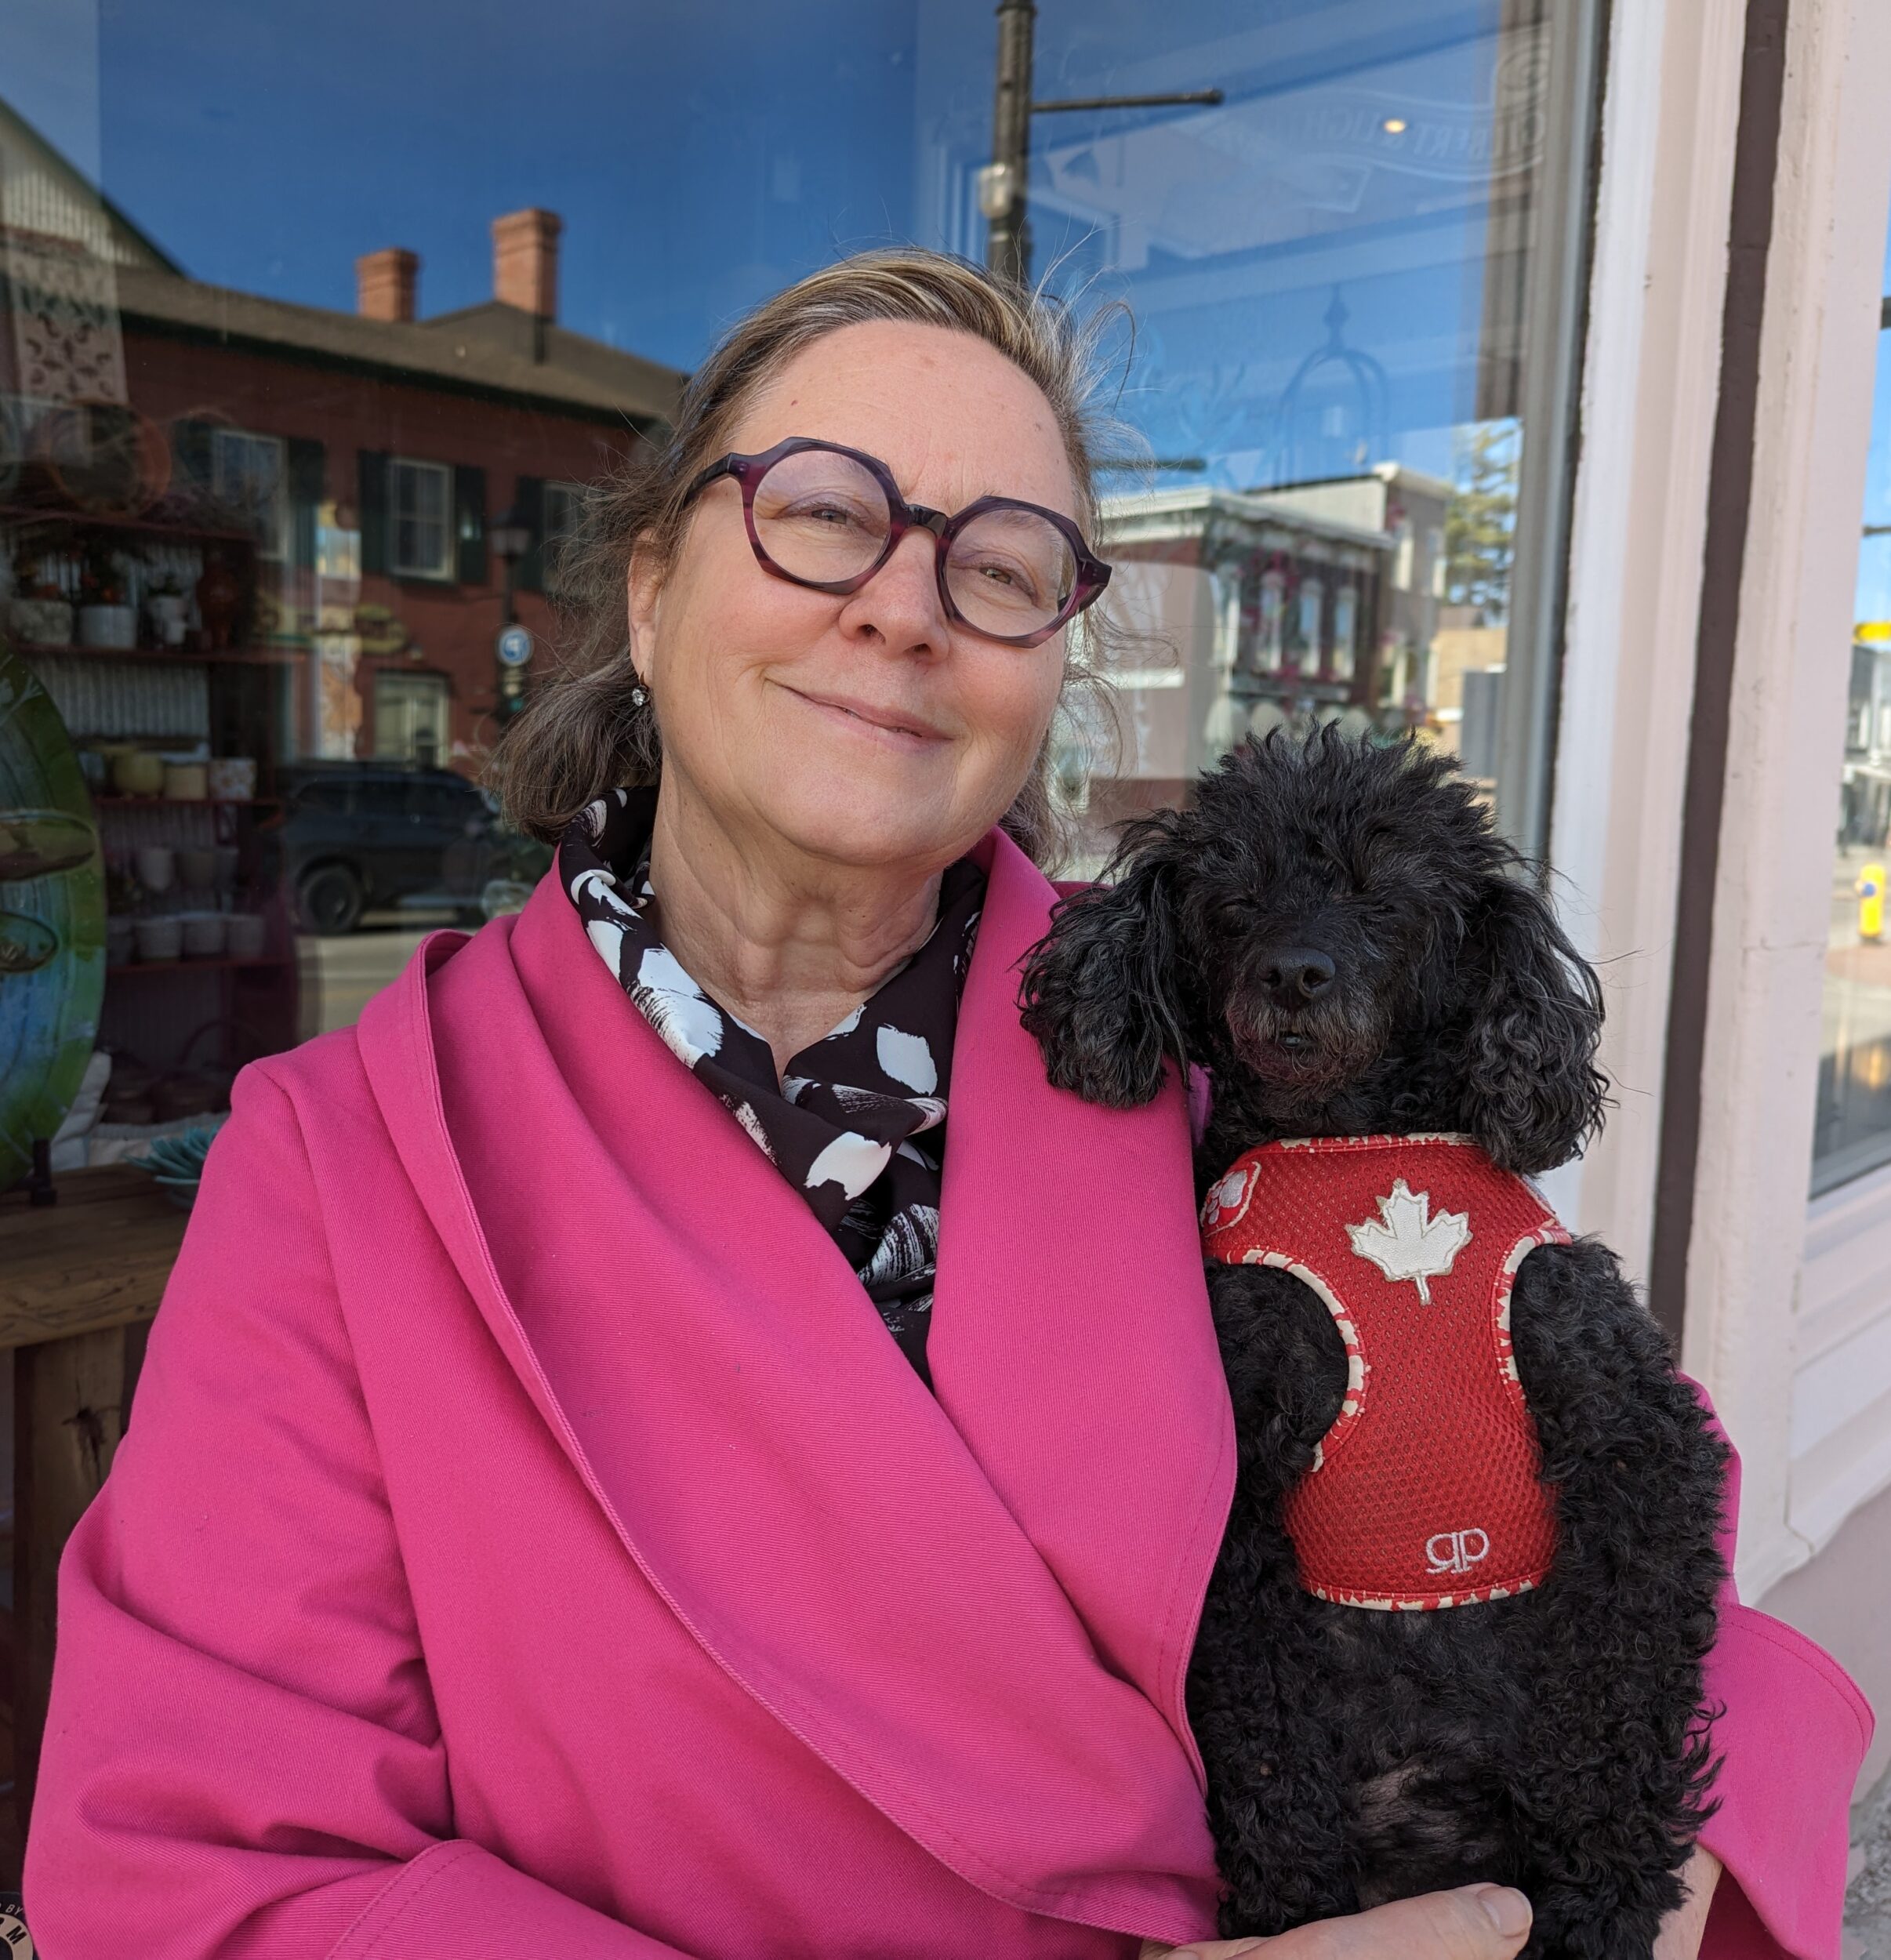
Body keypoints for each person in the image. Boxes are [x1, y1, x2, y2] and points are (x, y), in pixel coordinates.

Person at [24, 251, 1869, 1958]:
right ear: (653, 590)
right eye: (823, 512)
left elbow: (1626, 1514)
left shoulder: (1218, 1049)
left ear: (1049, 663)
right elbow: (202, 1875)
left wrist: (1639, 1883)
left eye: (999, 563)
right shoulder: (349, 1155)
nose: (905, 604)